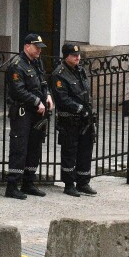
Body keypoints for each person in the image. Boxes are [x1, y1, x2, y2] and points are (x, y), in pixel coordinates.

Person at [4, 34, 54, 200]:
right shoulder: (17, 65)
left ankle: (28, 182)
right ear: (27, 46)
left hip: (37, 113)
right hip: (22, 111)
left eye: (40, 47)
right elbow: (18, 90)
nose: (39, 50)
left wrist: (47, 95)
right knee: (20, 147)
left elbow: (43, 82)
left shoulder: (37, 62)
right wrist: (35, 101)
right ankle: (12, 186)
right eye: (36, 46)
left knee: (35, 147)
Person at [50, 42, 97, 197]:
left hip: (85, 119)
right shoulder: (59, 74)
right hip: (69, 120)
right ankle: (69, 184)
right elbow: (62, 99)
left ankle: (83, 182)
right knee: (70, 152)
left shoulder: (80, 70)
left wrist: (88, 111)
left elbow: (85, 93)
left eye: (78, 55)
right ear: (66, 56)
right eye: (74, 55)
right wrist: (79, 109)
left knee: (85, 151)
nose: (77, 57)